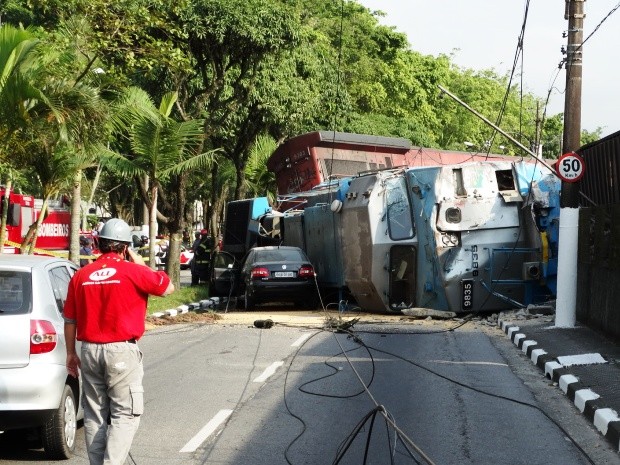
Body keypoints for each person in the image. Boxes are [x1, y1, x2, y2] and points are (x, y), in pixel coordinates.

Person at [63, 218, 174, 465]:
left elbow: (70, 319)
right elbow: (168, 288)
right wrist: (139, 262)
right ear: (125, 247)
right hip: (121, 352)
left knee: (94, 415)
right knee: (125, 414)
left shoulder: (80, 276)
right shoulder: (134, 271)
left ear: (99, 244)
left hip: (89, 351)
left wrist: (71, 354)